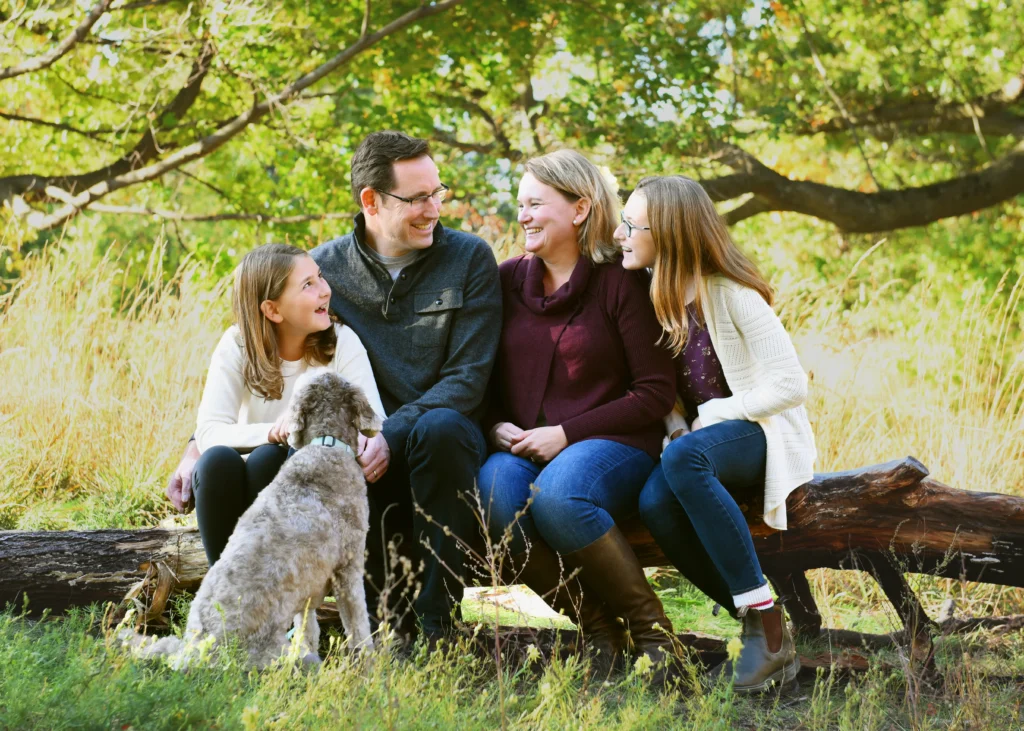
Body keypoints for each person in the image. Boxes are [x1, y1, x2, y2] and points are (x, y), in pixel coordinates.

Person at [169, 133, 501, 643]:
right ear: (371, 201)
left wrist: (392, 433)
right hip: (361, 452)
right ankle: (257, 624)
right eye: (417, 198)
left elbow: (468, 378)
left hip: (436, 441)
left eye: (438, 192)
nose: (434, 208)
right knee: (281, 464)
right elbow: (258, 337)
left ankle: (438, 630)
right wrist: (198, 444)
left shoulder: (469, 259)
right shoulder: (326, 272)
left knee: (438, 429)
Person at [478, 150, 677, 672]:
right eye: (520, 203)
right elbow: (480, 376)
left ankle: (652, 632)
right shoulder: (504, 281)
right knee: (496, 492)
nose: (523, 215)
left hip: (616, 444)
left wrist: (566, 433)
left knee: (561, 497)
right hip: (522, 448)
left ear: (581, 207)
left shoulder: (622, 282)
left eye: (536, 203)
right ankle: (593, 627)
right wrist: (492, 423)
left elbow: (654, 392)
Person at [619, 175, 816, 692]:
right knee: (654, 503)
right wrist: (680, 426)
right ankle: (756, 621)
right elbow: (667, 391)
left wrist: (714, 417)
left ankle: (768, 623)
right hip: (704, 440)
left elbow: (791, 384)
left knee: (684, 462)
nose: (621, 234)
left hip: (761, 432)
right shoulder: (654, 296)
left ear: (669, 232)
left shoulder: (731, 294)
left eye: (630, 224)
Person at [186, 243, 386, 566]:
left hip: (313, 496)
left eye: (320, 277)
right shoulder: (236, 346)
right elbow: (208, 431)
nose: (325, 291)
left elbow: (374, 421)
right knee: (215, 462)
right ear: (273, 310)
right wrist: (273, 432)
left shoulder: (342, 341)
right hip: (238, 493)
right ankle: (230, 600)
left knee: (268, 459)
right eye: (308, 285)